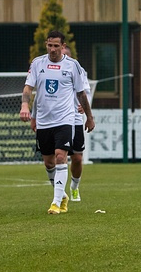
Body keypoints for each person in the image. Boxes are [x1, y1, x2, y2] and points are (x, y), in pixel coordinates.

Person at [19, 30, 94, 214]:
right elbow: (28, 88)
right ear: (46, 44)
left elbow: (81, 93)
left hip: (65, 118)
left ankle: (56, 202)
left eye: (56, 46)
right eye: (49, 45)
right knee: (48, 162)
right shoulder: (37, 63)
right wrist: (25, 106)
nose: (52, 49)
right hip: (45, 120)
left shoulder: (73, 66)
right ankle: (62, 195)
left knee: (62, 156)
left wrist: (89, 117)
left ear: (63, 46)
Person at [63, 43, 91, 202]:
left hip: (75, 119)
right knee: (58, 156)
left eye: (67, 55)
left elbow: (86, 92)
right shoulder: (50, 69)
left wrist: (85, 108)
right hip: (57, 120)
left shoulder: (78, 70)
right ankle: (59, 193)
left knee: (77, 158)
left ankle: (74, 186)